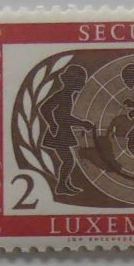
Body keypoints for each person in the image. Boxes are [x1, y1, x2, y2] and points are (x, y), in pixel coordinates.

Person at [36, 64, 92, 195]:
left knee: (68, 161)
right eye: (79, 82)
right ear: (71, 82)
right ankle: (61, 186)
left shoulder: (67, 95)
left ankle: (65, 184)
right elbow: (45, 108)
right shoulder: (63, 95)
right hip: (58, 135)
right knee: (68, 161)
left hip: (62, 133)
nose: (82, 85)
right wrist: (52, 124)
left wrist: (81, 124)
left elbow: (63, 117)